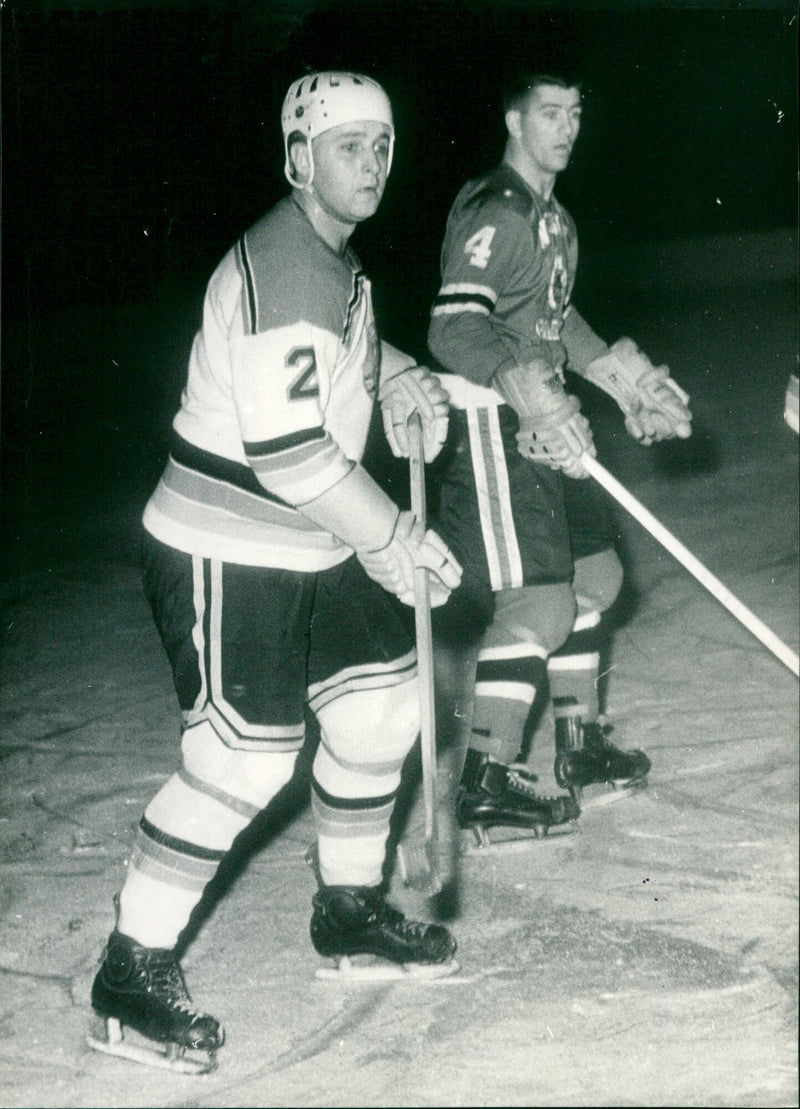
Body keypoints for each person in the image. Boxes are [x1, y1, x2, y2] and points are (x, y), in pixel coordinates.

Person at [88, 70, 464, 1073]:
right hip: (227, 546)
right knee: (244, 759)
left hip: (306, 540)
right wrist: (389, 535)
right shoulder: (282, 262)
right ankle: (130, 970)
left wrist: (399, 377)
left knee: (382, 704)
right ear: (297, 158)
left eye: (381, 145)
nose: (370, 163)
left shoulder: (328, 255)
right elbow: (291, 448)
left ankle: (345, 909)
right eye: (347, 145)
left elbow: (340, 353)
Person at [426, 68, 692, 846]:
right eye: (549, 112)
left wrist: (624, 380)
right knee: (540, 601)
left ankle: (579, 744)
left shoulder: (555, 220)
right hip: (495, 423)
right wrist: (523, 391)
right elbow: (453, 326)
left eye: (576, 111)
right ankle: (484, 773)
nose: (566, 126)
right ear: (515, 120)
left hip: (547, 417)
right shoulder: (498, 210)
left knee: (598, 576)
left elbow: (555, 318)